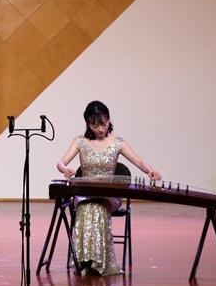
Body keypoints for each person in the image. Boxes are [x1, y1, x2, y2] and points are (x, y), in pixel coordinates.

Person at [56, 101, 161, 276]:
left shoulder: (117, 143)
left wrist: (151, 171)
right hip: (85, 194)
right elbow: (61, 162)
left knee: (98, 206)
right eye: (94, 125)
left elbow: (139, 161)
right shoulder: (80, 142)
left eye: (103, 124)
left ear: (109, 120)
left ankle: (98, 261)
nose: (100, 129)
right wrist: (63, 169)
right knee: (87, 206)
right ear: (88, 123)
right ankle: (84, 259)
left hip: (109, 195)